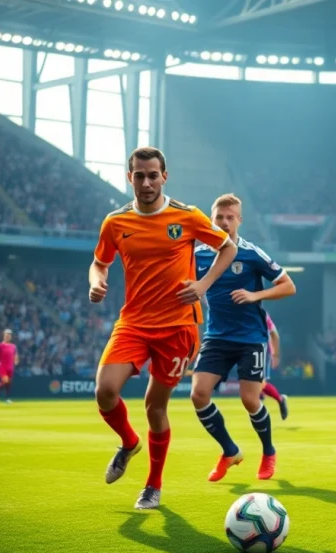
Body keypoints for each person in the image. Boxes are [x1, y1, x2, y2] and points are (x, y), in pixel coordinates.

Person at [90, 147, 236, 510]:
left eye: (153, 175)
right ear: (130, 178)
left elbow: (228, 247)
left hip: (177, 328)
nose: (146, 182)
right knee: (105, 391)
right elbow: (99, 263)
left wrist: (202, 286)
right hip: (133, 323)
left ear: (164, 177)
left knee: (155, 406)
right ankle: (128, 442)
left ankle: (153, 485)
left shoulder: (186, 216)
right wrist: (96, 281)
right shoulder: (115, 222)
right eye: (139, 175)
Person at [189, 194, 296, 483]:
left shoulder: (251, 253)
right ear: (212, 219)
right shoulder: (197, 255)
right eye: (219, 217)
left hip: (251, 337)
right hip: (217, 336)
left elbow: (288, 286)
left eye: (230, 217)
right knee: (198, 394)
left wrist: (255, 295)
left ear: (239, 220)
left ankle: (268, 452)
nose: (224, 222)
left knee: (250, 399)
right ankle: (229, 451)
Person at [260, 313, 290, 420]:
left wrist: (276, 355)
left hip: (262, 351)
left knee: (259, 383)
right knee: (252, 383)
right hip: (247, 351)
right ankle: (261, 401)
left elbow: (273, 332)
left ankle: (280, 399)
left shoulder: (261, 313)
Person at [0, 329, 17, 404]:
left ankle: (7, 398)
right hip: (2, 366)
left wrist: (16, 361)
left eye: (9, 335)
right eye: (6, 334)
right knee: (5, 380)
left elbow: (15, 356)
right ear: (4, 336)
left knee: (9, 383)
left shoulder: (13, 346)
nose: (8, 336)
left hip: (10, 367)